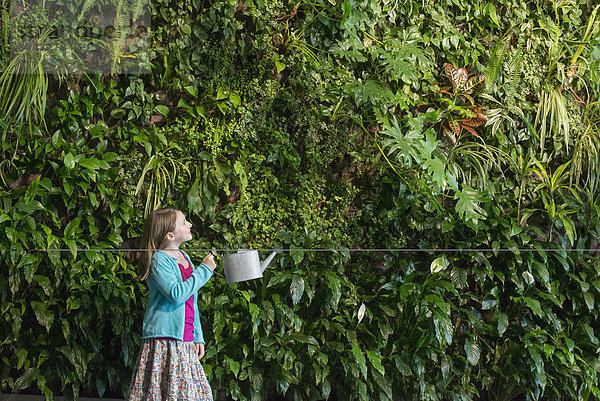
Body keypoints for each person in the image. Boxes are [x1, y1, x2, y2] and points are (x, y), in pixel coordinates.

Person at [127, 208, 216, 401]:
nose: (190, 224)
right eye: (184, 222)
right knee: (165, 393)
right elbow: (176, 295)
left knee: (191, 394)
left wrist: (197, 336)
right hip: (164, 339)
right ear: (169, 235)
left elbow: (191, 300)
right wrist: (205, 270)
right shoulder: (159, 260)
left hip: (184, 338)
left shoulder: (185, 258)